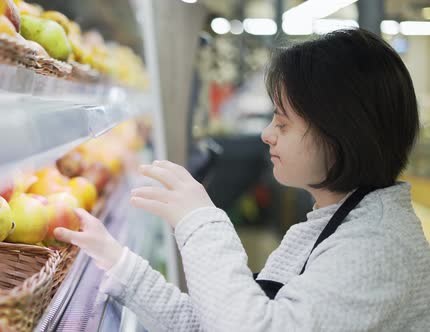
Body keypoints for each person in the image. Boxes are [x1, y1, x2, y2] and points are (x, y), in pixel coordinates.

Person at [53, 28, 430, 331]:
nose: (267, 134)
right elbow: (216, 321)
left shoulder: (376, 250)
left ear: (341, 133)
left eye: (282, 123)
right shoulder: (334, 221)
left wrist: (200, 221)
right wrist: (116, 261)